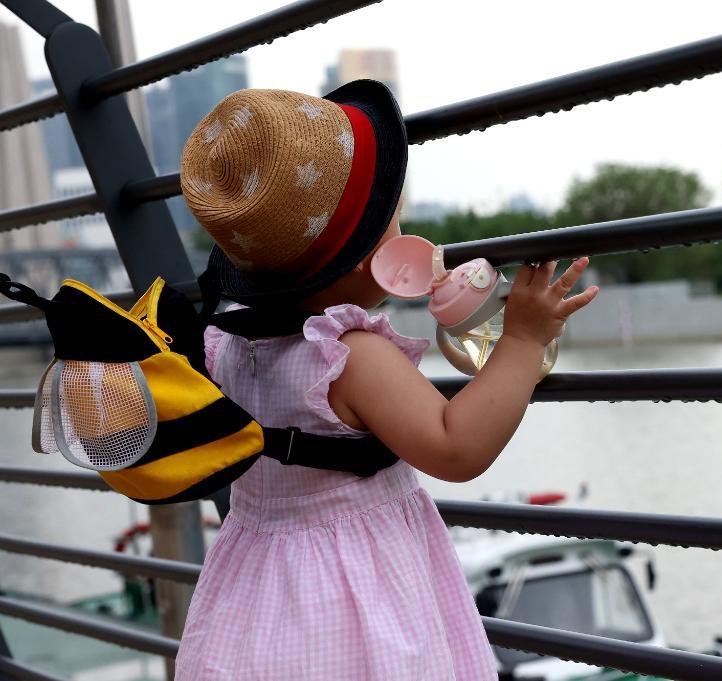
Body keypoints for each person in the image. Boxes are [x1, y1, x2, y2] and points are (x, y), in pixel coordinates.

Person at [172, 82, 599, 680]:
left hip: (256, 584)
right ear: (363, 256)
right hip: (353, 592)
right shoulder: (348, 355)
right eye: (392, 223)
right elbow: (456, 446)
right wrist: (523, 342)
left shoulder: (230, 344)